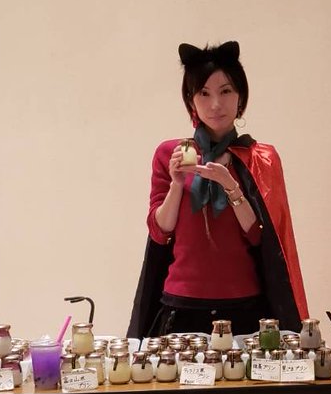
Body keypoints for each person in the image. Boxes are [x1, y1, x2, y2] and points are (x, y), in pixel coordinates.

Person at [128, 41, 308, 338]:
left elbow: (260, 237)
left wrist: (230, 186)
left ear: (241, 98)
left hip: (244, 306)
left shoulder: (260, 158)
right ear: (191, 101)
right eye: (204, 93)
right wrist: (176, 184)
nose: (215, 104)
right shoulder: (171, 153)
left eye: (225, 91)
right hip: (181, 305)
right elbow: (160, 232)